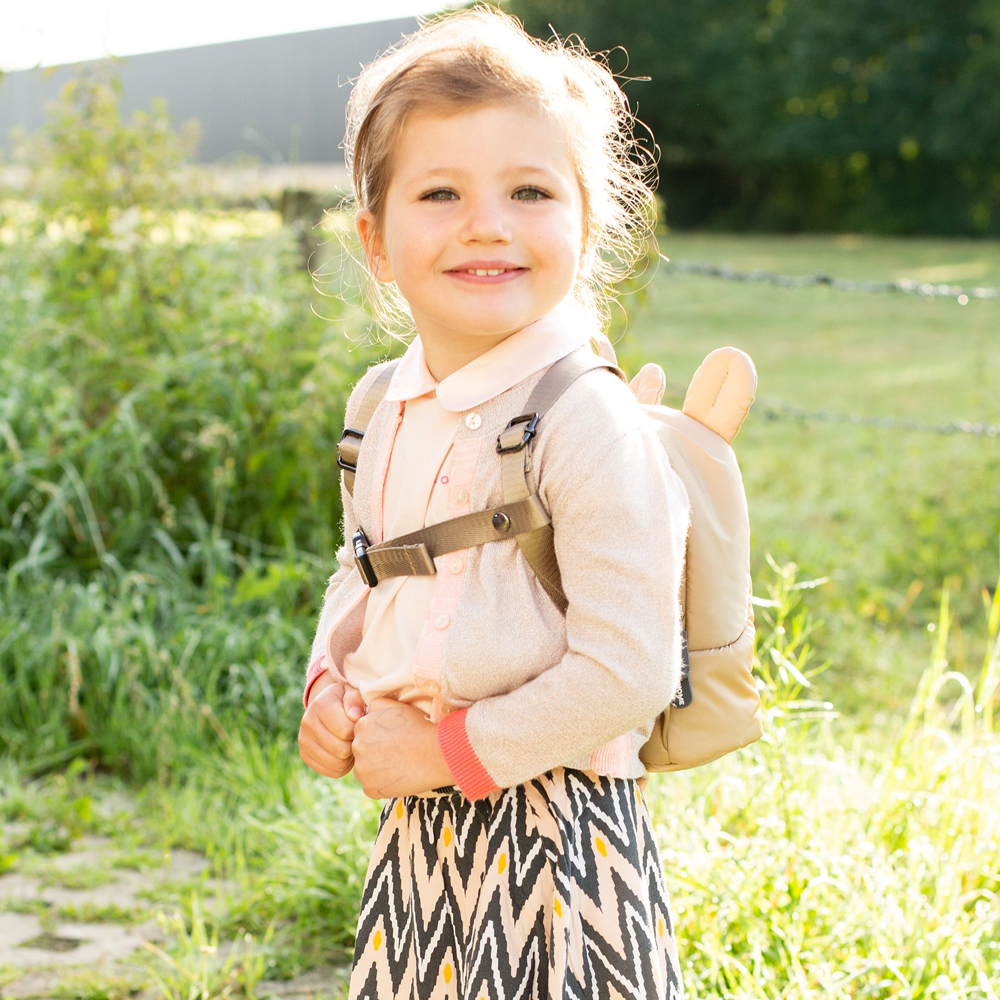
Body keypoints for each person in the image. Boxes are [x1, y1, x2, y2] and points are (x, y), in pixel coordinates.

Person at [297, 6, 689, 998]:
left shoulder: (584, 417)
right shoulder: (380, 403)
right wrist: (330, 686)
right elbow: (363, 568)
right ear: (375, 240)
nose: (488, 224)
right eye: (441, 192)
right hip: (420, 829)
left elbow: (632, 666)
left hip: (559, 835)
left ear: (586, 226)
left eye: (530, 190)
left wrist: (444, 749)